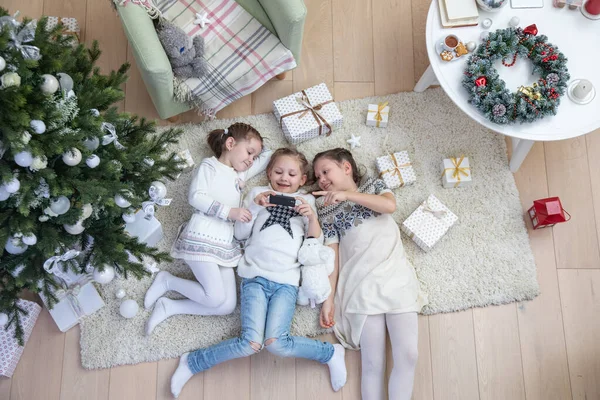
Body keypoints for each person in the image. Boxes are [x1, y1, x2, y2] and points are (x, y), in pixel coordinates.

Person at [169, 148, 347, 398]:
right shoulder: (256, 194)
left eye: (292, 174)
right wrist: (255, 205)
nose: (284, 178)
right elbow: (240, 235)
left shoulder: (307, 201)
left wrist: (310, 217)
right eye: (278, 172)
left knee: (276, 343)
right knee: (250, 343)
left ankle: (330, 353)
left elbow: (313, 243)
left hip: (287, 282)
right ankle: (193, 362)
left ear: (302, 180)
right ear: (268, 174)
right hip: (254, 277)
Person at [312, 148, 428, 400]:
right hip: (360, 283)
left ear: (346, 167)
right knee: (373, 363)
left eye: (325, 171)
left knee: (409, 355)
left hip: (395, 275)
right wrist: (328, 299)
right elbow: (332, 255)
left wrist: (347, 195)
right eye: (317, 176)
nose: (321, 178)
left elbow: (389, 206)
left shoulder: (374, 186)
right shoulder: (326, 209)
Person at [144, 123, 272, 335]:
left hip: (224, 244)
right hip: (202, 235)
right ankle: (168, 281)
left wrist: (257, 151)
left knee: (226, 305)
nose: (251, 160)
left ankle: (170, 306)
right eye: (249, 153)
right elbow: (196, 197)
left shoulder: (240, 175)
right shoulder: (209, 166)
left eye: (253, 156)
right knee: (215, 297)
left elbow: (267, 156)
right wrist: (229, 212)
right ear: (230, 143)